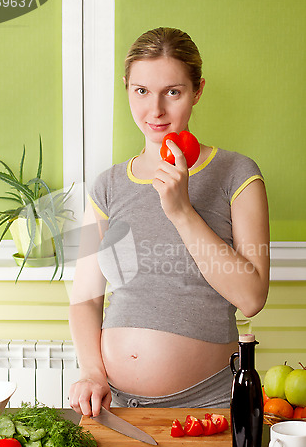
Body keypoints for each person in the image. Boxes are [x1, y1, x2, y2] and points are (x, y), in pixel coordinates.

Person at [69, 27, 270, 417]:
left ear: (197, 91)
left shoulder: (237, 173)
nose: (155, 110)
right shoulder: (106, 185)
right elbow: (85, 297)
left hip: (210, 407)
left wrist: (181, 211)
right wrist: (92, 371)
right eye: (141, 91)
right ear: (126, 88)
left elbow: (251, 297)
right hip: (116, 405)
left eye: (172, 92)